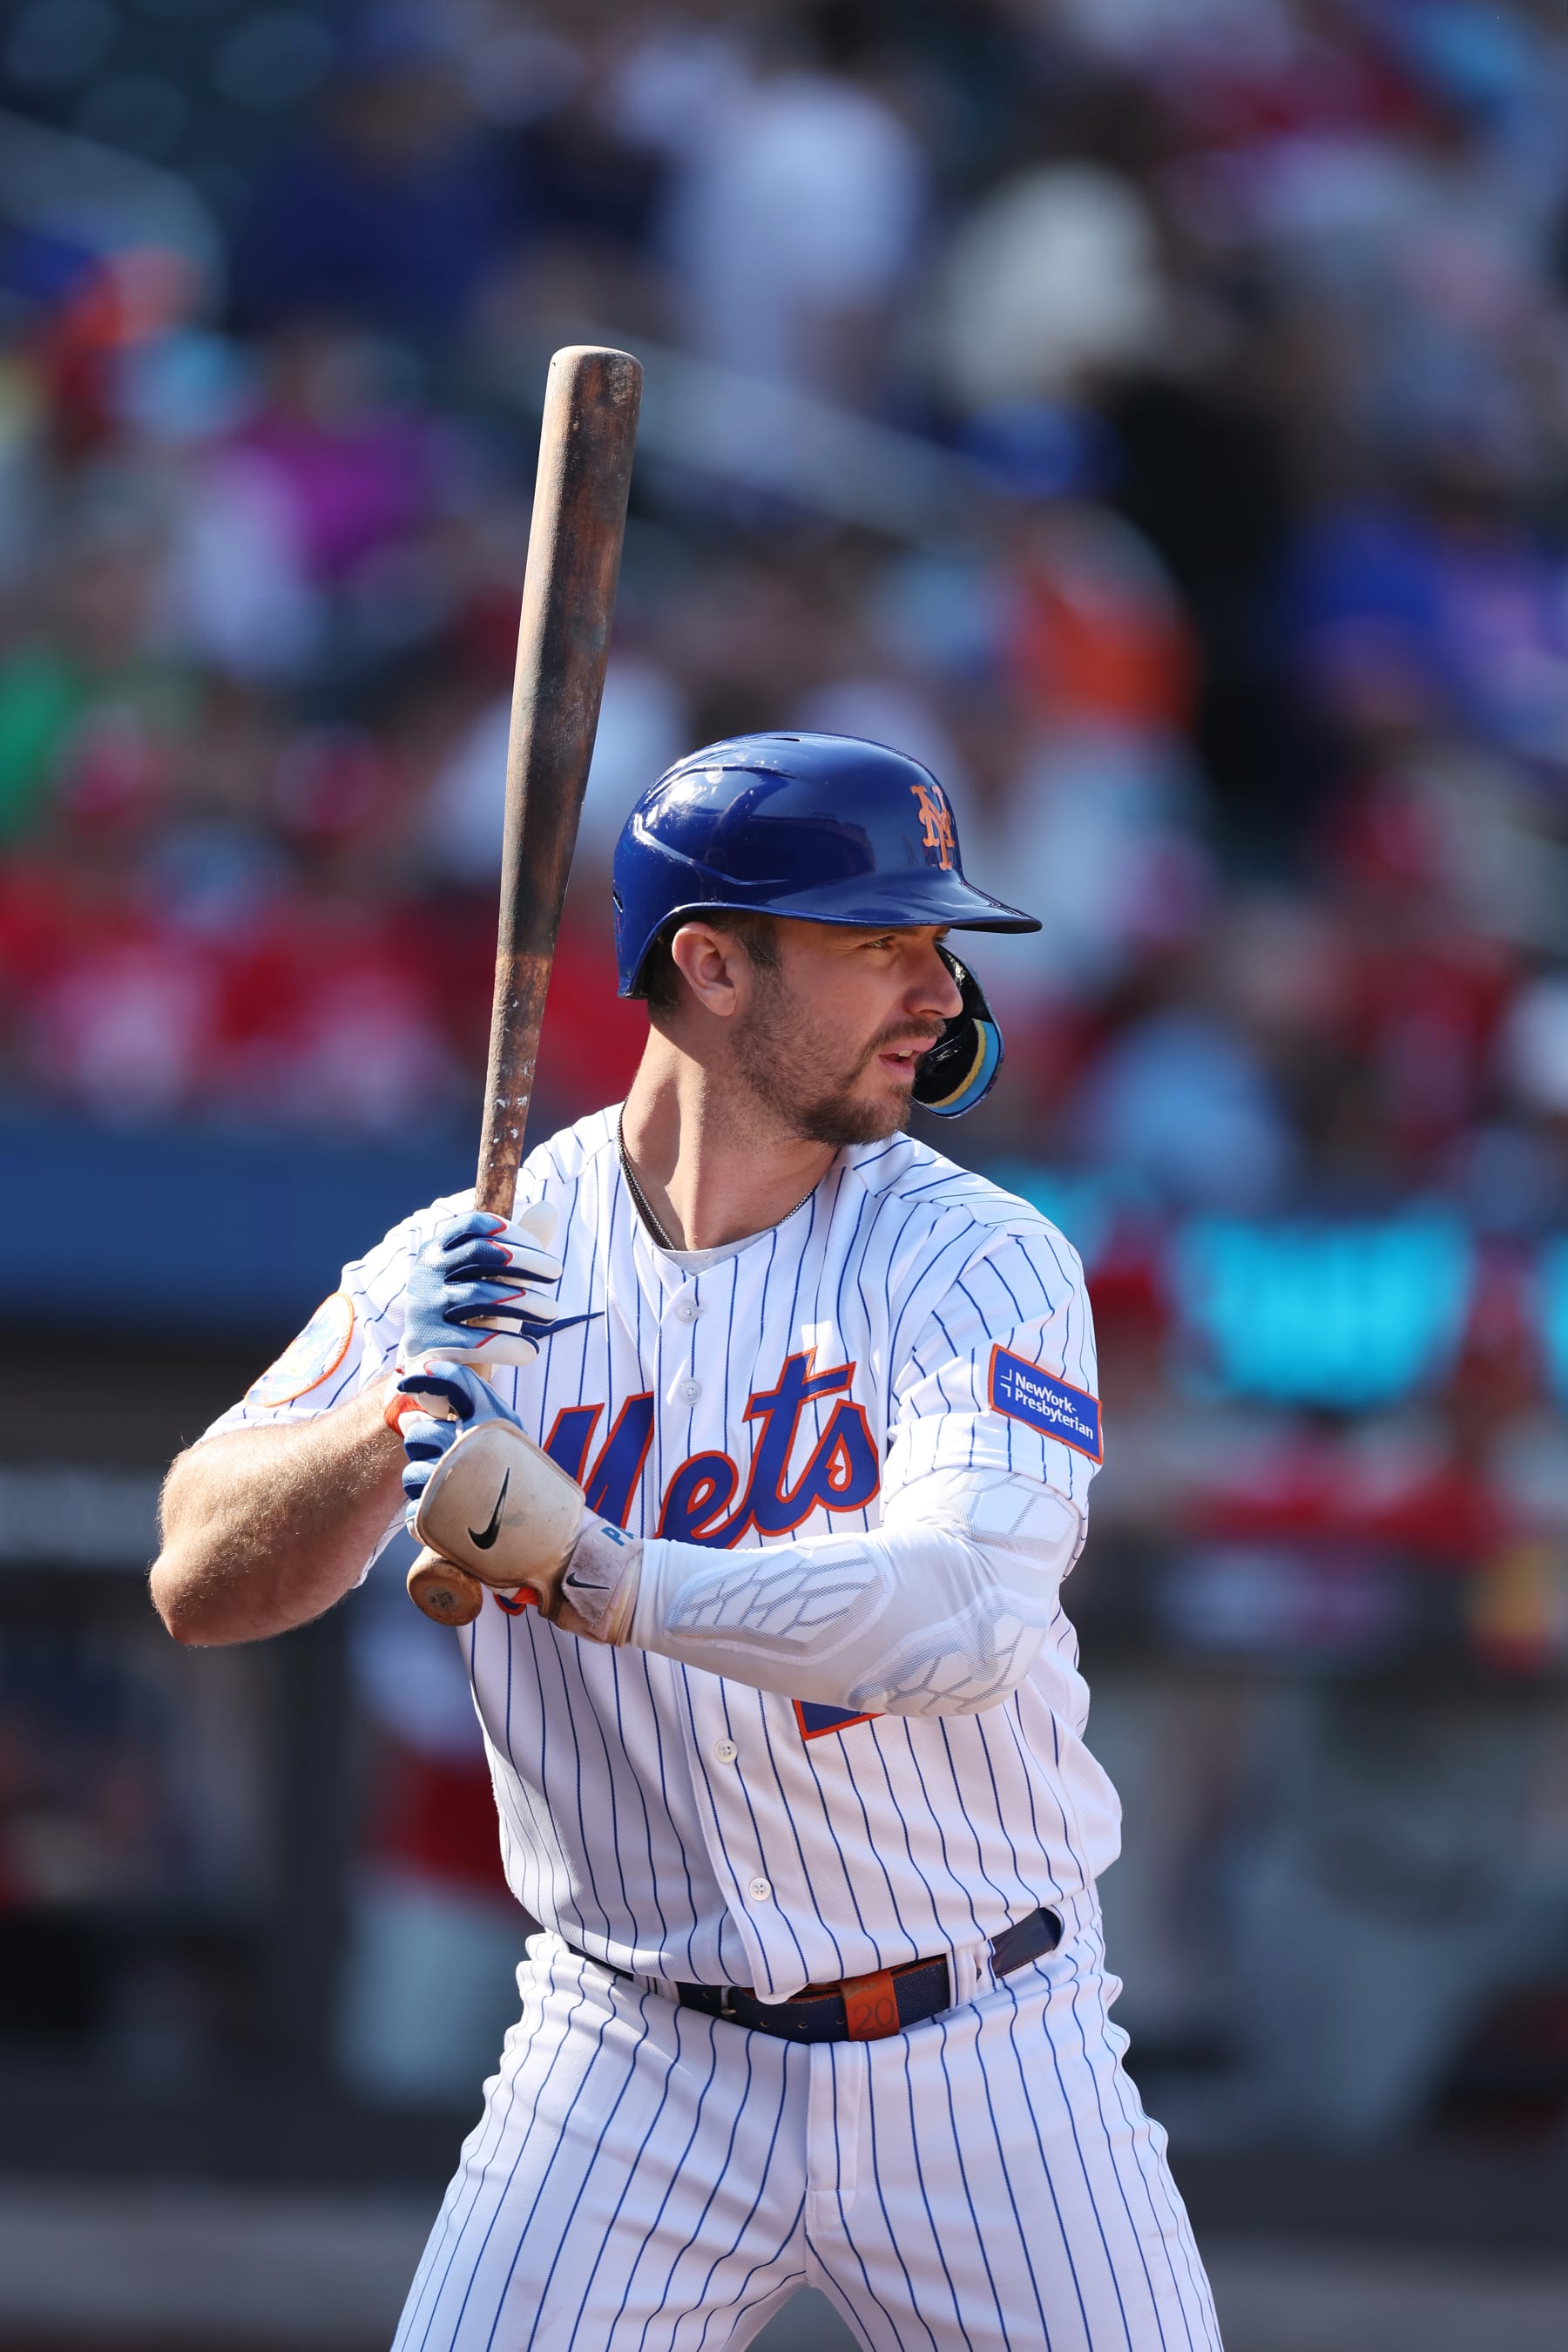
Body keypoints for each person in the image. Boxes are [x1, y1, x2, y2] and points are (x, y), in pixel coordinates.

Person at [152, 733, 1220, 2351]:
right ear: (712, 964)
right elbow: (196, 1577)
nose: (937, 995)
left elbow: (961, 1615)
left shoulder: (980, 1263)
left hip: (989, 2042)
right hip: (627, 2050)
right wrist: (381, 1429)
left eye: (938, 948)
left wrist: (607, 1572)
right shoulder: (489, 1254)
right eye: (881, 947)